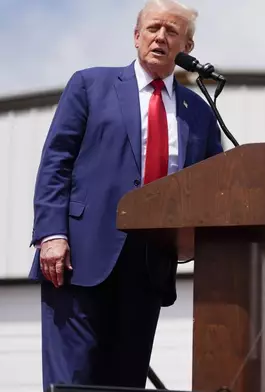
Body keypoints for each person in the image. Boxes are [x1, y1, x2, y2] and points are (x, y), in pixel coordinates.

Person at [29, 0, 223, 389]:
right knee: (74, 379)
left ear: (187, 46)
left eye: (172, 32)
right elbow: (56, 162)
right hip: (78, 259)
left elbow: (212, 183)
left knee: (125, 383)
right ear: (136, 36)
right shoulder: (90, 84)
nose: (160, 37)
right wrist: (52, 235)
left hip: (149, 266)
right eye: (153, 28)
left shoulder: (198, 112)